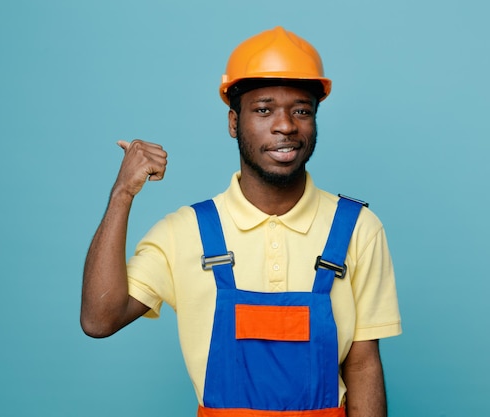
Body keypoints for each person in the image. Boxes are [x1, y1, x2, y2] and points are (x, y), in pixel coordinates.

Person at [81, 26, 402, 417]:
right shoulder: (185, 233)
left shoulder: (357, 229)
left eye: (301, 110)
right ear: (234, 122)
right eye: (264, 110)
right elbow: (99, 319)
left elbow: (363, 363)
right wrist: (122, 195)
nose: (285, 125)